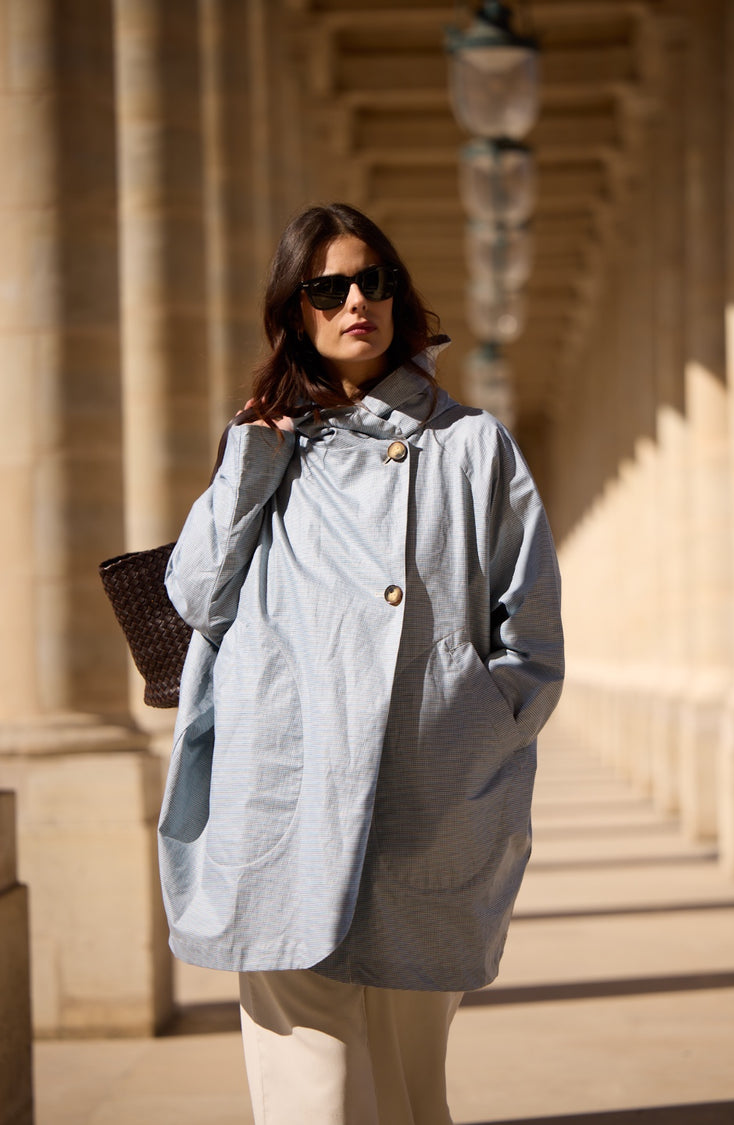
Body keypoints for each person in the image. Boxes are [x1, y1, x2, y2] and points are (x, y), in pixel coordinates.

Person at [158, 202, 564, 1124]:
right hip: (284, 798)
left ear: (398, 296)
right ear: (294, 310)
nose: (355, 301)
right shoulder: (267, 446)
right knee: (315, 1099)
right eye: (328, 287)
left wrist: (469, 729)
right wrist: (249, 462)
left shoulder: (473, 446)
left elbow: (533, 639)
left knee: (412, 1094)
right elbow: (197, 596)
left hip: (426, 802)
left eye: (374, 280)